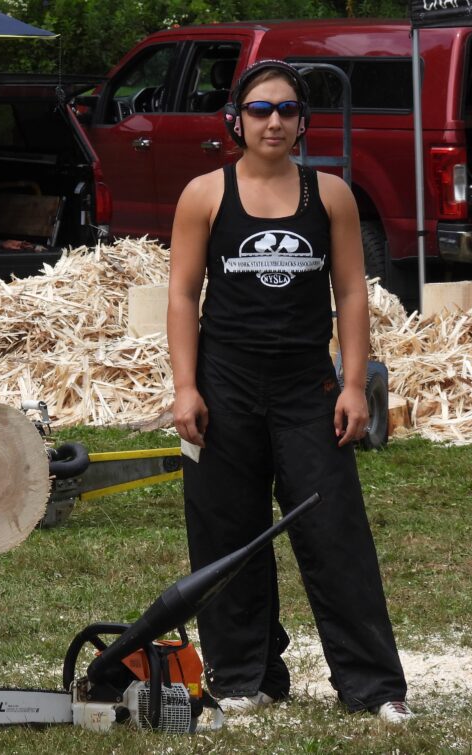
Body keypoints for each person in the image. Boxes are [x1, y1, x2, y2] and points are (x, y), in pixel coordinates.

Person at [166, 60, 411, 724]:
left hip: (308, 382)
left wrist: (354, 383)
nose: (274, 121)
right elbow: (184, 295)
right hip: (226, 382)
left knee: (333, 529)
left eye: (288, 109)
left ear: (303, 121)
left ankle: (372, 685)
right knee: (227, 528)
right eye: (259, 109)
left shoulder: (329, 194)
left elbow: (353, 292)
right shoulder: (204, 195)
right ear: (236, 121)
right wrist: (186, 387)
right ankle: (248, 673)